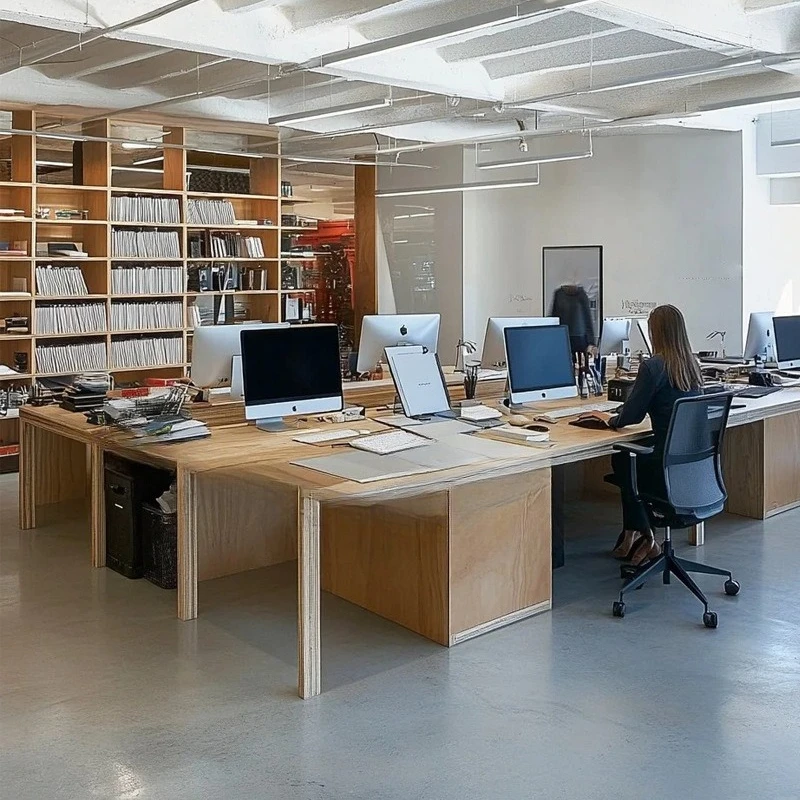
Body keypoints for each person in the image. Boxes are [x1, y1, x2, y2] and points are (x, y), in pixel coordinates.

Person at [577, 305, 703, 566]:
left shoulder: (653, 366)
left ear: (655, 332)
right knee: (627, 457)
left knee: (624, 459)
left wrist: (608, 418)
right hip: (688, 465)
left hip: (664, 466)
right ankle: (636, 534)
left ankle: (646, 535)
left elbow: (631, 417)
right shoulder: (692, 364)